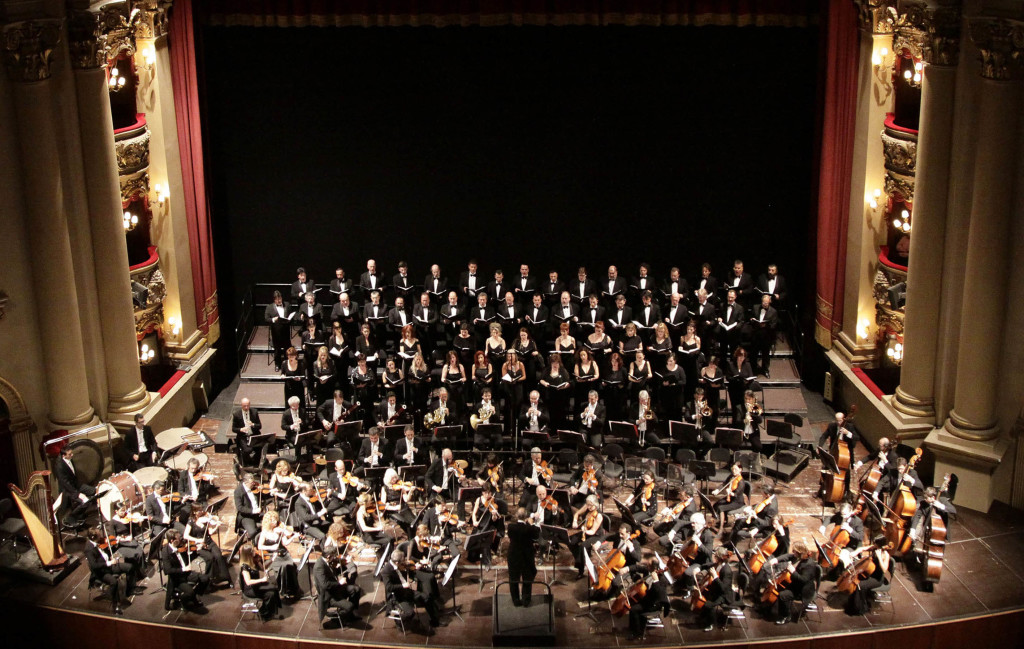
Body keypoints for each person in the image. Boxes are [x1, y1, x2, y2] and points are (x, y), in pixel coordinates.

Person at [380, 548, 443, 628]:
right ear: (396, 562)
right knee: (410, 613)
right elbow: (389, 587)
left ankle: (434, 621)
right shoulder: (386, 571)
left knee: (427, 597)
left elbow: (406, 570)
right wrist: (403, 585)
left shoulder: (399, 565)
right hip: (397, 596)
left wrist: (414, 566)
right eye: (402, 561)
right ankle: (399, 622)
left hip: (407, 591)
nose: (404, 562)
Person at [85, 527, 139, 614]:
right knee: (114, 582)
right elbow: (94, 566)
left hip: (109, 566)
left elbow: (104, 550)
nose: (101, 537)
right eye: (99, 536)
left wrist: (117, 541)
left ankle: (129, 590)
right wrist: (108, 563)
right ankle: (115, 605)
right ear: (93, 537)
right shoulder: (89, 549)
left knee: (130, 567)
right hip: (101, 572)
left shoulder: (96, 542)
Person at [765, 540, 819, 624]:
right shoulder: (800, 557)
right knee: (779, 588)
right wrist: (776, 560)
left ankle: (786, 616)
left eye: (795, 552)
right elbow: (788, 556)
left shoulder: (809, 565)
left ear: (800, 553)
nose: (793, 554)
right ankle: (772, 607)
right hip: (796, 584)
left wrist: (793, 571)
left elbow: (803, 580)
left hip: (803, 590)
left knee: (783, 595)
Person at [182, 504, 231, 587]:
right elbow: (185, 536)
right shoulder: (191, 521)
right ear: (194, 512)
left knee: (218, 555)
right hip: (198, 545)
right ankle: (209, 580)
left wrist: (216, 526)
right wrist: (197, 540)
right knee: (210, 558)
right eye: (199, 510)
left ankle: (225, 578)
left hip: (209, 542)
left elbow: (210, 532)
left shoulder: (205, 519)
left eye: (201, 509)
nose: (202, 512)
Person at [314, 545, 363, 625]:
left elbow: (334, 572)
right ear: (328, 556)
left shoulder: (327, 561)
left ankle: (350, 616)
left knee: (356, 589)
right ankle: (339, 620)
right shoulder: (319, 566)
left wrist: (345, 562)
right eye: (334, 556)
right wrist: (339, 583)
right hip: (329, 596)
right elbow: (325, 585)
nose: (335, 557)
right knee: (349, 606)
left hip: (335, 589)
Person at [163, 528, 210, 612]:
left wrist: (196, 549)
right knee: (190, 592)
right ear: (172, 540)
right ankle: (184, 599)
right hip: (178, 578)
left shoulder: (180, 546)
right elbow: (168, 570)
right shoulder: (166, 552)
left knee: (205, 579)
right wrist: (183, 569)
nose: (181, 539)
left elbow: (192, 556)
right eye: (178, 538)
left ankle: (193, 597)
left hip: (187, 573)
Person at [843, 535, 891, 616]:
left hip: (877, 578)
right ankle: (852, 605)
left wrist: (879, 558)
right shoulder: (875, 548)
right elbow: (862, 549)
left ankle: (861, 608)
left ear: (880, 545)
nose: (874, 545)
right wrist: (855, 553)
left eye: (875, 544)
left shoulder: (885, 555)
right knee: (855, 581)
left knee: (860, 585)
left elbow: (884, 569)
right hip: (870, 574)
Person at [625, 555, 670, 640]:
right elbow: (638, 567)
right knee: (633, 601)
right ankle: (634, 626)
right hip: (647, 597)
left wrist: (656, 581)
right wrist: (627, 569)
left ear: (654, 567)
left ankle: (637, 633)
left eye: (648, 565)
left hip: (654, 604)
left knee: (633, 609)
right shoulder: (649, 570)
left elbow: (660, 594)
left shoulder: (662, 580)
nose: (646, 566)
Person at [256, 510, 300, 598]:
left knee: (290, 566)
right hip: (274, 555)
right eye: (272, 520)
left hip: (284, 553)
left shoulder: (279, 530)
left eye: (275, 519)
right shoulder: (264, 533)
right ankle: (283, 590)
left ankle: (292, 589)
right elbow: (260, 546)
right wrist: (271, 547)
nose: (275, 521)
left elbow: (285, 543)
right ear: (268, 522)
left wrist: (293, 537)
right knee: (283, 568)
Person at [507, 508, 540, 607]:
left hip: (513, 556)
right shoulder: (530, 528)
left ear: (516, 515)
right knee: (527, 578)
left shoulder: (511, 527)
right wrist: (531, 523)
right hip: (527, 556)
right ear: (526, 516)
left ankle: (516, 601)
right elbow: (536, 534)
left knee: (513, 578)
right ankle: (526, 600)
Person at [697, 546, 737, 632]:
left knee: (709, 604)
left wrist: (715, 576)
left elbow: (723, 588)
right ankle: (703, 615)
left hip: (724, 595)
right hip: (717, 590)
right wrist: (700, 567)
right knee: (704, 595)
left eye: (715, 556)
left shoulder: (727, 571)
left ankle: (710, 623)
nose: (714, 558)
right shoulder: (718, 565)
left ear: (719, 558)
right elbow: (710, 565)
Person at [55, 445, 96, 527]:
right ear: (64, 456)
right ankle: (71, 517)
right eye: (69, 454)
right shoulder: (59, 466)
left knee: (94, 491)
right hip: (68, 490)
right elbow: (66, 483)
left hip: (76, 485)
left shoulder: (69, 459)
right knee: (86, 502)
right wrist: (78, 494)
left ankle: (79, 514)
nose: (72, 455)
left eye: (71, 453)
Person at [239, 543, 282, 620]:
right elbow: (248, 582)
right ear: (248, 554)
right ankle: (264, 613)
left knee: (274, 587)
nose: (255, 552)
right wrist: (261, 580)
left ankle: (270, 611)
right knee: (270, 594)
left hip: (257, 585)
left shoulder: (254, 560)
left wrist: (272, 559)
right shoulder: (244, 567)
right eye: (253, 551)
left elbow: (263, 568)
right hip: (250, 589)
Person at [571, 494, 604, 578]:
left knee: (583, 546)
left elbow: (593, 531)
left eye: (590, 505)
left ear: (595, 504)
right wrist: (575, 521)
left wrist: (584, 530)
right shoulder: (587, 506)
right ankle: (579, 557)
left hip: (595, 535)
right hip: (586, 531)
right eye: (588, 504)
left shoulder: (599, 516)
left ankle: (580, 570)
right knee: (572, 541)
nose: (588, 507)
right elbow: (577, 513)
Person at [712, 463, 749, 535]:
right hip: (730, 498)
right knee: (716, 504)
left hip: (737, 501)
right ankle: (724, 520)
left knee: (721, 508)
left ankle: (721, 528)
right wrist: (717, 490)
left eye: (736, 469)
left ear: (740, 470)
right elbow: (724, 484)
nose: (734, 471)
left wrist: (730, 492)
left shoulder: (741, 482)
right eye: (733, 469)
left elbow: (736, 494)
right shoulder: (732, 476)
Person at [539, 353, 571, 429]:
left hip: (560, 395)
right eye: (553, 363)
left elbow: (568, 382)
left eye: (556, 363)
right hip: (549, 395)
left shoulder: (563, 370)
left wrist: (565, 386)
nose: (555, 364)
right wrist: (545, 383)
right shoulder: (547, 370)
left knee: (560, 413)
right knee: (550, 412)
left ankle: (560, 429)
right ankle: (551, 429)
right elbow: (541, 380)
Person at [749, 293, 779, 377]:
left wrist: (766, 325)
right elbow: (750, 317)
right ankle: (753, 370)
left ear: (769, 302)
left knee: (765, 355)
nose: (764, 304)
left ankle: (765, 370)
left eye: (766, 303)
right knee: (753, 354)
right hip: (755, 335)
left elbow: (774, 325)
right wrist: (752, 320)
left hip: (766, 336)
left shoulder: (773, 311)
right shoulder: (755, 307)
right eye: (763, 302)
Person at [265, 290, 294, 371]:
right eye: (277, 299)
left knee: (287, 348)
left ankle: (287, 363)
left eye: (280, 298)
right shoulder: (269, 307)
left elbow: (291, 314)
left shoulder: (287, 304)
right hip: (276, 332)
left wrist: (290, 319)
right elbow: (266, 319)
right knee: (277, 349)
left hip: (286, 331)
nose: (279, 300)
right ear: (274, 300)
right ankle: (277, 364)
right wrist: (274, 319)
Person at [232, 397, 264, 467]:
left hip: (253, 435)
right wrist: (241, 429)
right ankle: (247, 464)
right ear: (241, 405)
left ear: (249, 404)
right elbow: (233, 429)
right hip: (243, 436)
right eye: (244, 406)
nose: (246, 407)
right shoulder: (236, 414)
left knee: (259, 447)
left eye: (247, 405)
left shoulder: (254, 412)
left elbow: (259, 426)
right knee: (247, 450)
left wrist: (253, 424)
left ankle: (256, 464)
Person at [726, 347, 756, 416]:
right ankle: (735, 423)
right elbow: (728, 377)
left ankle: (744, 422)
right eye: (740, 356)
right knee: (735, 408)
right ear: (736, 356)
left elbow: (751, 376)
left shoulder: (747, 365)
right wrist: (735, 378)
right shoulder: (731, 365)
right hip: (734, 389)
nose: (741, 358)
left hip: (744, 389)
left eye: (743, 356)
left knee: (744, 407)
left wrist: (747, 381)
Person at [233, 474, 263, 540]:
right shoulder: (238, 491)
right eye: (252, 483)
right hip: (246, 516)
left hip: (258, 514)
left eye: (254, 482)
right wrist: (253, 511)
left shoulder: (255, 488)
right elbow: (240, 508)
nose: (254, 484)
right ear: (246, 482)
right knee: (252, 532)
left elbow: (264, 497)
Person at [717, 289, 745, 358]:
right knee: (723, 352)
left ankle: (733, 368)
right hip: (723, 332)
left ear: (735, 297)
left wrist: (734, 327)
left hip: (734, 334)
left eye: (732, 297)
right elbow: (718, 316)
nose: (730, 299)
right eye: (729, 297)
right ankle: (723, 367)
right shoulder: (722, 305)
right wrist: (719, 318)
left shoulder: (740, 308)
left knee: (733, 352)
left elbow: (741, 321)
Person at [602, 351, 628, 421]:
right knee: (609, 411)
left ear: (619, 362)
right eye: (612, 361)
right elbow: (604, 379)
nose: (614, 363)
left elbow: (626, 382)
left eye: (616, 361)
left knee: (619, 411)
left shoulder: (623, 370)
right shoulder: (607, 370)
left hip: (619, 394)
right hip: (609, 393)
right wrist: (604, 383)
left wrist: (621, 386)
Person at [736, 389, 764, 453]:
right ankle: (737, 459)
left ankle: (753, 458)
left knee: (758, 447)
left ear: (753, 399)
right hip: (742, 432)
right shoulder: (739, 407)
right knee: (733, 444)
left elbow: (760, 420)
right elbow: (737, 421)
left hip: (753, 433)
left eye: (749, 399)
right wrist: (744, 420)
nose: (747, 401)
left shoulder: (757, 407)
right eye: (746, 399)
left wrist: (752, 413)